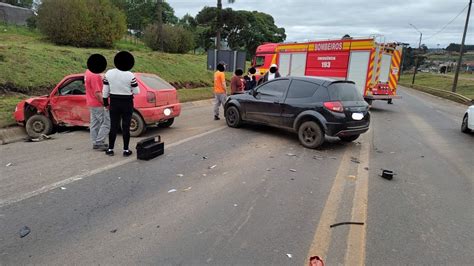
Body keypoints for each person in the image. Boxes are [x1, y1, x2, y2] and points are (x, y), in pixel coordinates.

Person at [102, 51, 140, 157]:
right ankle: (126, 150)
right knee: (126, 126)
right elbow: (137, 91)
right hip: (127, 102)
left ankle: (110, 149)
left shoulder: (108, 73)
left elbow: (105, 92)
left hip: (114, 102)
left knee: (113, 126)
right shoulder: (130, 74)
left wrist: (106, 104)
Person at [85, 54, 110, 151]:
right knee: (106, 123)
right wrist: (105, 104)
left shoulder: (88, 72)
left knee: (94, 124)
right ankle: (99, 142)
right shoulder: (95, 76)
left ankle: (95, 142)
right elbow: (98, 93)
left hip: (91, 102)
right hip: (98, 103)